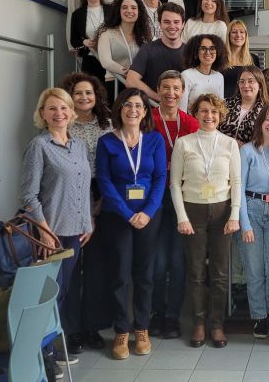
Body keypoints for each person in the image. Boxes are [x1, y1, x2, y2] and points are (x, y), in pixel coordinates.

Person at [19, 88, 92, 365]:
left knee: (61, 292)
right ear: (42, 114)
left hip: (75, 232)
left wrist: (88, 221)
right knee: (48, 295)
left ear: (71, 112)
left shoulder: (79, 145)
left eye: (63, 108)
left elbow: (84, 187)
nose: (58, 113)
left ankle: (48, 348)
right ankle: (41, 354)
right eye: (51, 108)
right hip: (50, 234)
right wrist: (44, 231)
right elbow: (28, 195)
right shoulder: (39, 146)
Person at [96, 88, 168, 360]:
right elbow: (104, 181)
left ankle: (142, 328)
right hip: (118, 217)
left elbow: (160, 177)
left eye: (138, 105)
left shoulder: (154, 141)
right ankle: (121, 331)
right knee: (120, 275)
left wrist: (147, 212)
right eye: (127, 105)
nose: (133, 110)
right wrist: (127, 213)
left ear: (145, 111)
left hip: (149, 215)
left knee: (145, 274)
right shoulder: (107, 142)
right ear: (119, 109)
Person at [170, 93, 242, 349]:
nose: (208, 116)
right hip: (193, 212)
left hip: (222, 212)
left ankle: (217, 324)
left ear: (220, 115)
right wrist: (182, 217)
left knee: (220, 273)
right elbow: (174, 184)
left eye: (213, 111)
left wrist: (234, 214)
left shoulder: (229, 144)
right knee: (197, 271)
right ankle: (199, 323)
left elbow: (237, 182)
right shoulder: (184, 143)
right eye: (203, 111)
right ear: (195, 114)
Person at [58, 73, 113, 354]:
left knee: (96, 268)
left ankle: (92, 326)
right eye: (78, 93)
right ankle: (71, 330)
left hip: (101, 194)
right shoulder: (61, 126)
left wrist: (98, 205)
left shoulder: (107, 125)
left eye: (89, 93)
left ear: (97, 96)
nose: (83, 98)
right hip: (69, 198)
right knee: (71, 269)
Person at [148, 70, 200, 340]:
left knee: (178, 261)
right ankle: (156, 313)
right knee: (157, 262)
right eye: (165, 88)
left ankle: (172, 316)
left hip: (184, 197)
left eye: (176, 89)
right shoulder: (148, 120)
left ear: (182, 92)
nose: (171, 93)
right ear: (158, 90)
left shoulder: (191, 123)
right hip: (155, 197)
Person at [237, 104, 269, 338]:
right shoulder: (247, 151)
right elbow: (238, 188)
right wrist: (244, 223)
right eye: (268, 120)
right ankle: (258, 316)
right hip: (252, 209)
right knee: (255, 269)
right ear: (260, 123)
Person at [95, 0, 151, 105]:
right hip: (114, 83)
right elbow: (106, 62)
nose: (129, 11)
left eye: (134, 8)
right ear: (118, 11)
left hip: (137, 85)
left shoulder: (144, 36)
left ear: (139, 12)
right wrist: (127, 73)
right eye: (124, 7)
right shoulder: (107, 34)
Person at [126, 3, 186, 103]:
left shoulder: (190, 52)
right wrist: (159, 98)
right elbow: (131, 81)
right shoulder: (148, 49)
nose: (172, 26)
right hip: (153, 111)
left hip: (182, 112)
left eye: (176, 22)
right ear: (159, 24)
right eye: (166, 22)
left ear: (183, 24)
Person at [69, 0, 110, 83]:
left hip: (111, 59)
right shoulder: (77, 14)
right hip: (90, 60)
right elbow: (74, 40)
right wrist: (84, 41)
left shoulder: (112, 11)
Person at [219, 66, 268, 147]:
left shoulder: (266, 111)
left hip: (248, 156)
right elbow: (213, 129)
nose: (246, 85)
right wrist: (232, 142)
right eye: (242, 81)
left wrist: (246, 147)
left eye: (250, 81)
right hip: (222, 152)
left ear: (260, 85)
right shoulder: (225, 104)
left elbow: (266, 140)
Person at [180, 34, 227, 111]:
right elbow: (182, 110)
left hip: (213, 122)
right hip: (192, 122)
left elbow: (221, 108)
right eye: (203, 48)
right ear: (196, 52)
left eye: (212, 48)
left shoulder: (219, 77)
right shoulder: (186, 75)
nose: (208, 52)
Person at [224, 20, 262, 96]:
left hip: (248, 104)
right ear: (228, 35)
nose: (238, 35)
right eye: (234, 32)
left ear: (246, 35)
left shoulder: (254, 59)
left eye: (241, 32)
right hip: (225, 104)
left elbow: (259, 85)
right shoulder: (221, 59)